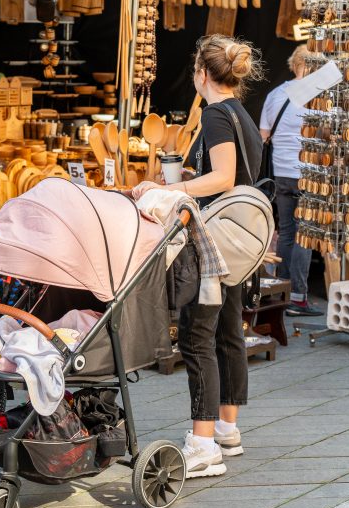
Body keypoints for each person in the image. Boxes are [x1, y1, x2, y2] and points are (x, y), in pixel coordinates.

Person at [132, 34, 263, 478]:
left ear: (202, 75)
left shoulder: (214, 115)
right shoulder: (242, 114)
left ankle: (202, 444)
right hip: (238, 241)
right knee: (228, 332)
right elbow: (235, 175)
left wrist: (171, 188)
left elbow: (224, 177)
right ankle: (227, 429)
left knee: (196, 337)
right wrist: (191, 177)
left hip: (213, 244)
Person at [259, 46, 322, 316]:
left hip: (282, 173)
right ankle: (298, 297)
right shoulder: (317, 97)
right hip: (309, 174)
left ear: (293, 64)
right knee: (305, 235)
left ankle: (281, 293)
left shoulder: (275, 95)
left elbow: (263, 135)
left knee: (286, 231)